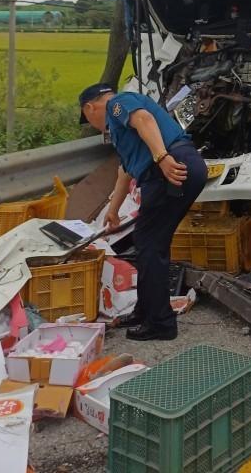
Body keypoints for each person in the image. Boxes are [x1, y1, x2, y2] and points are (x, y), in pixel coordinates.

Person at [79, 82, 207, 341]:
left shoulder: (117, 104)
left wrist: (162, 158)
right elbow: (125, 172)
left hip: (169, 169)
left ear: (90, 108)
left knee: (149, 245)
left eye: (87, 118)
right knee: (151, 243)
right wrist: (113, 210)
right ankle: (145, 311)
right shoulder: (121, 132)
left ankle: (160, 323)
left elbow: (144, 119)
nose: (94, 125)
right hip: (175, 168)